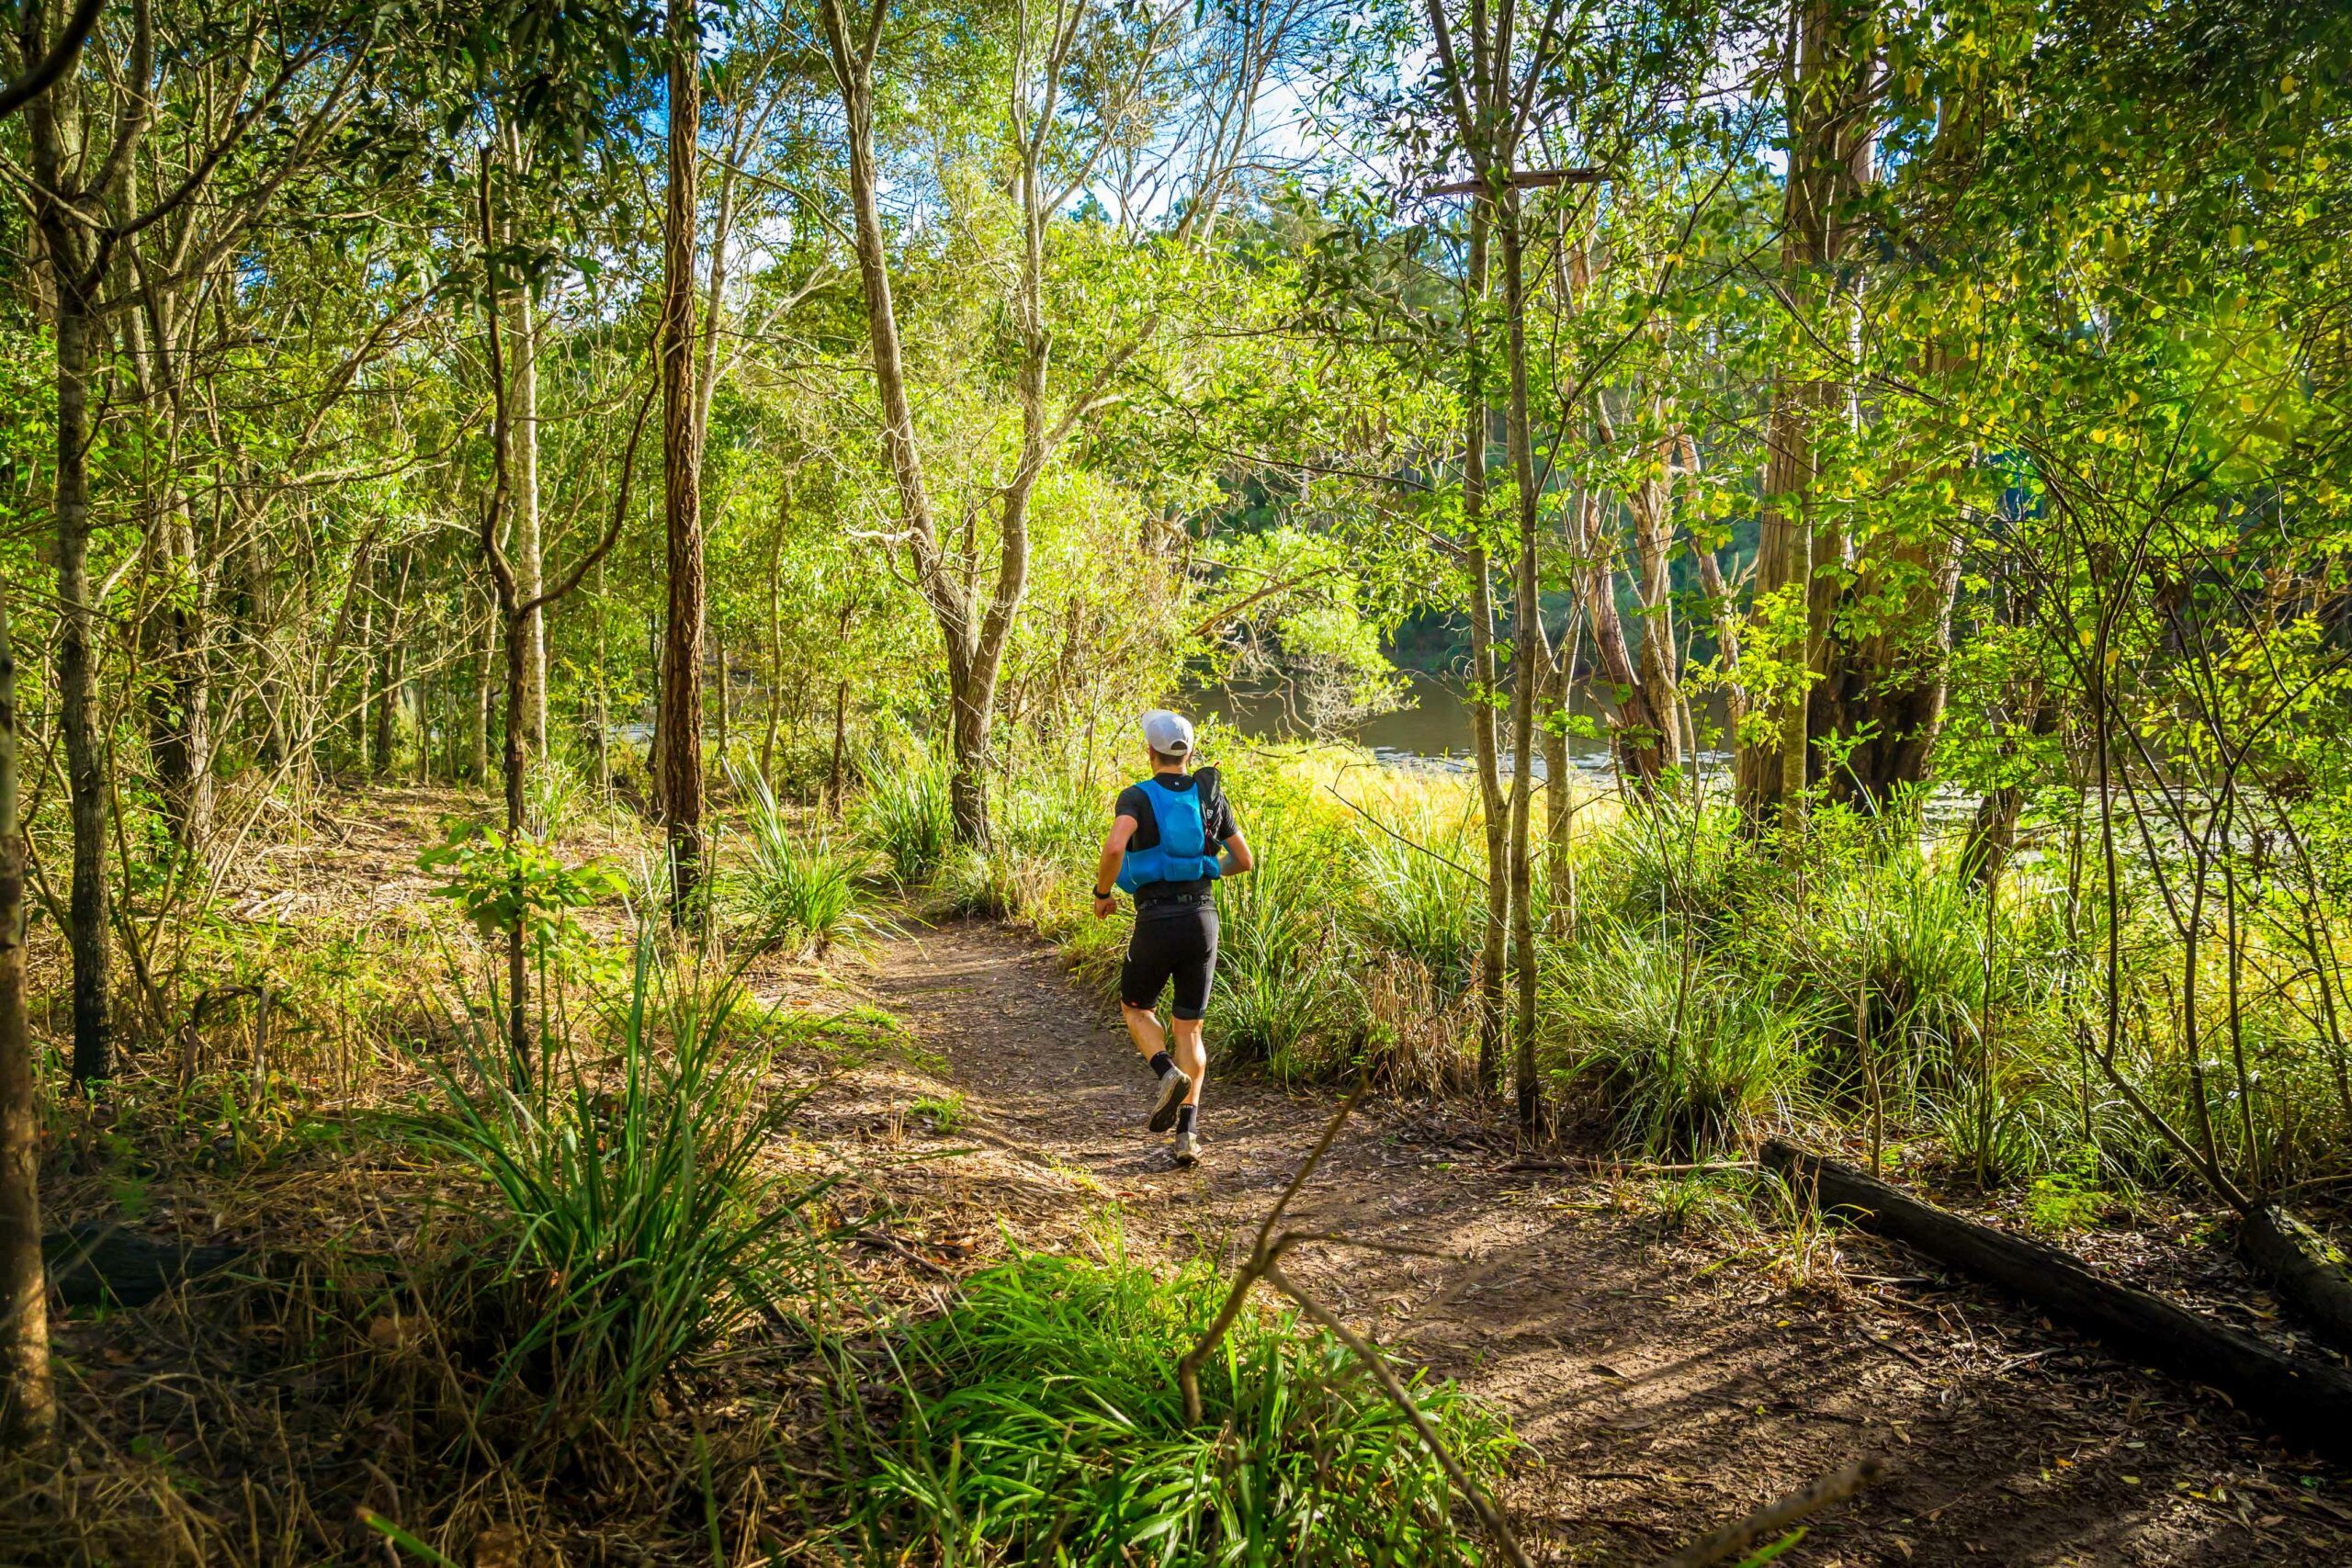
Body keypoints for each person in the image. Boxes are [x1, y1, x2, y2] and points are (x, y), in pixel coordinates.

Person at [1091, 709, 1252, 1167]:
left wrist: (1103, 893)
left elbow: (1115, 847)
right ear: (1190, 753)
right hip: (1203, 918)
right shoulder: (1210, 797)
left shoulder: (1136, 797)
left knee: (1136, 1007)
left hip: (1156, 918)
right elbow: (1244, 860)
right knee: (1191, 1029)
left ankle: (1165, 1073)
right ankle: (1188, 1135)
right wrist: (1201, 871)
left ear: (1150, 752)